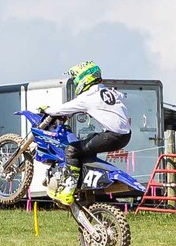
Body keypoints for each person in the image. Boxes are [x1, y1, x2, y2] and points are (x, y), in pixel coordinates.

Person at [39, 62, 130, 207]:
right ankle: (85, 175)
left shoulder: (88, 96)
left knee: (72, 150)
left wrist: (48, 110)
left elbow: (66, 107)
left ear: (84, 78)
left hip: (112, 136)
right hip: (124, 135)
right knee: (87, 142)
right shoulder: (108, 92)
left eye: (76, 79)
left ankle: (68, 190)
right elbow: (116, 101)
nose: (75, 82)